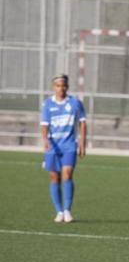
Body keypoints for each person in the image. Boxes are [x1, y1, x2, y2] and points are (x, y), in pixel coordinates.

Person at [40, 74, 87, 223]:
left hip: (69, 145)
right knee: (55, 177)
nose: (61, 88)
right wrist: (45, 140)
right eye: (58, 86)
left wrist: (82, 143)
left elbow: (82, 123)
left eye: (64, 85)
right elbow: (44, 125)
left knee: (67, 174)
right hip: (53, 146)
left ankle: (67, 210)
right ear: (54, 87)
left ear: (67, 87)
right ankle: (59, 211)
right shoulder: (47, 104)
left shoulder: (75, 103)